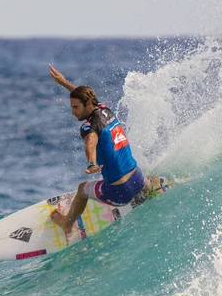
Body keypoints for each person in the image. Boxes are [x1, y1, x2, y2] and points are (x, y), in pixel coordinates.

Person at [48, 64, 165, 237]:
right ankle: (151, 189)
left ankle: (67, 223)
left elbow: (91, 142)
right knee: (140, 173)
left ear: (87, 104)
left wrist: (91, 162)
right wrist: (65, 83)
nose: (72, 112)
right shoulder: (105, 110)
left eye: (75, 107)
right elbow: (85, 97)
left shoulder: (89, 127)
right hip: (138, 179)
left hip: (120, 193)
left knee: (82, 189)